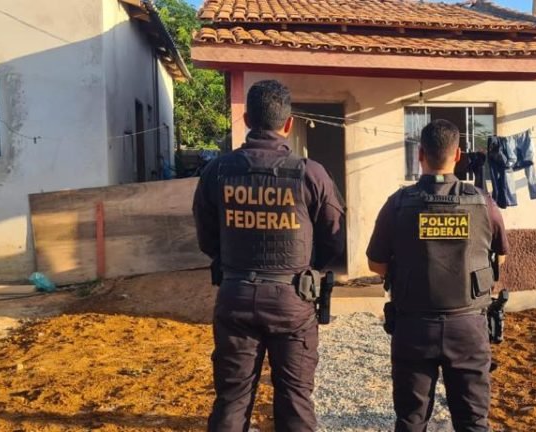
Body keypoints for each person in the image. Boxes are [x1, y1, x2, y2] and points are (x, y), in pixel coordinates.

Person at [193, 80, 345, 432]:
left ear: (247, 119)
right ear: (289, 123)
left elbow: (206, 236)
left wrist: (233, 262)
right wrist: (308, 268)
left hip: (235, 295)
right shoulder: (311, 173)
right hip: (292, 301)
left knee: (232, 400)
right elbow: (334, 238)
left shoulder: (217, 171)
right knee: (295, 400)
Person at [366, 119, 510, 432]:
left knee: (411, 420)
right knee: (473, 422)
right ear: (458, 155)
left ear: (420, 154)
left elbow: (376, 264)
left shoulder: (397, 204)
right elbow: (500, 256)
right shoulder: (484, 203)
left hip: (413, 327)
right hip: (468, 327)